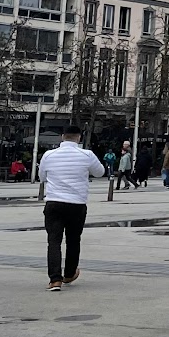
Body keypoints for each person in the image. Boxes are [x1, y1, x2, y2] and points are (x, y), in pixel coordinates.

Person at [37, 125, 105, 292]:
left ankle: (54, 280)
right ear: (79, 138)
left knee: (54, 241)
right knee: (73, 240)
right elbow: (100, 172)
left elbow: (41, 177)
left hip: (54, 202)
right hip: (77, 203)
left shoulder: (49, 155)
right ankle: (69, 274)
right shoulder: (86, 155)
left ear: (62, 137)